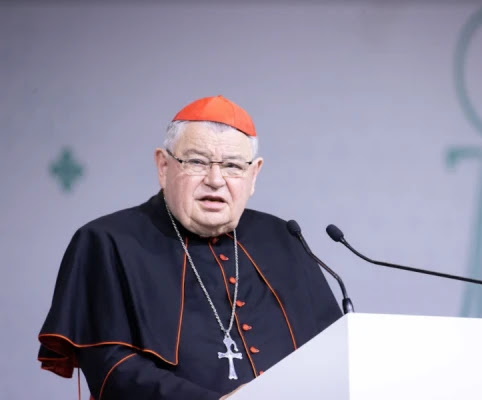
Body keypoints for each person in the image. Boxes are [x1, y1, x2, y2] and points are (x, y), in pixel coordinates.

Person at [38, 95, 342, 400]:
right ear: (163, 165)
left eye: (233, 166)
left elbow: (331, 353)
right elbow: (112, 369)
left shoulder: (282, 238)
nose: (215, 180)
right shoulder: (107, 241)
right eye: (197, 161)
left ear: (254, 174)